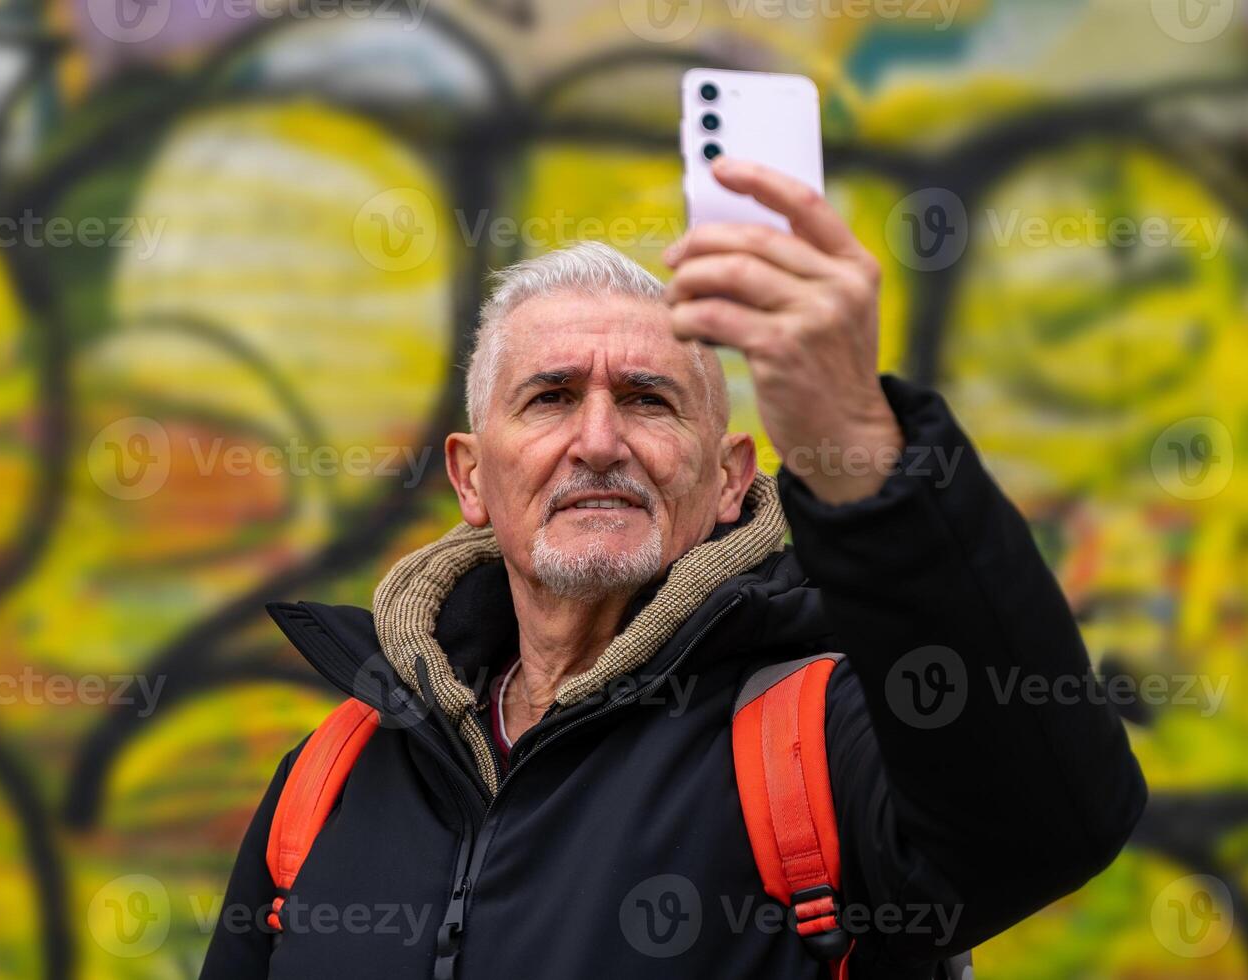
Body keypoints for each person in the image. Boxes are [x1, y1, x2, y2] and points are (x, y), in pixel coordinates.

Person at [199, 156, 1147, 979]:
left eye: (650, 400)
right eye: (551, 397)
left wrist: (856, 443)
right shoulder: (333, 775)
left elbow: (1049, 820)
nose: (599, 441)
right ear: (471, 476)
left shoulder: (823, 741)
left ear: (733, 478)